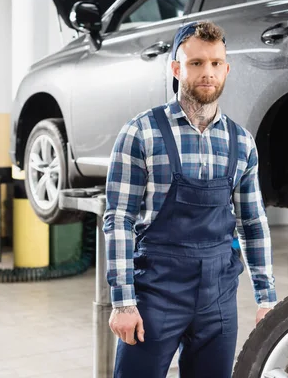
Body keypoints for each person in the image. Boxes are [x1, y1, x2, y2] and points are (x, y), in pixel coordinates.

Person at [103, 20, 277, 378]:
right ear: (176, 68)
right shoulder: (141, 133)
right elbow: (118, 218)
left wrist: (266, 297)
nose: (207, 72)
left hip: (218, 296)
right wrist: (122, 301)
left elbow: (252, 223)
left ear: (226, 69)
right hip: (156, 292)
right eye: (196, 63)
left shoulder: (241, 142)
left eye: (215, 63)